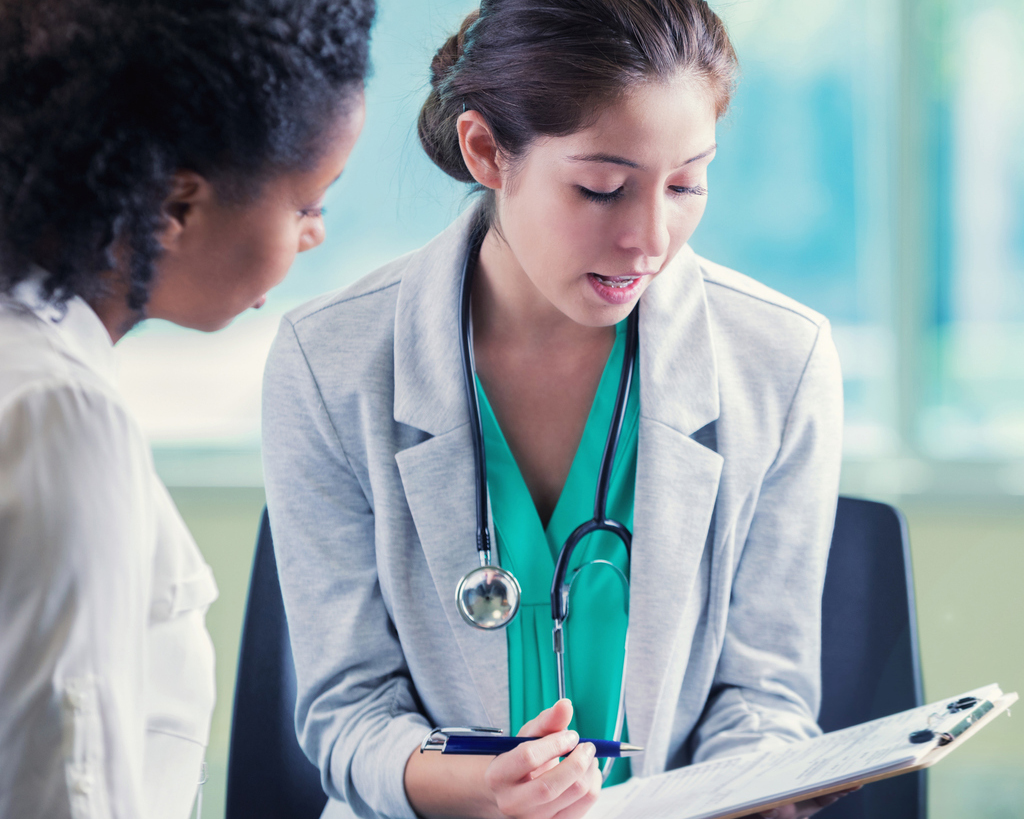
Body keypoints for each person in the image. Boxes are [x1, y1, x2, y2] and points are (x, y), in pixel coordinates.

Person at [261, 1, 846, 818]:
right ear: (485, 151)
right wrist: (486, 791)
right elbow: (349, 712)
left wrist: (756, 784)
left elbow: (762, 695)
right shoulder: (328, 362)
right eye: (602, 189)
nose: (651, 238)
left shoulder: (783, 360)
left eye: (686, 183)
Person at [0, 0, 373, 816]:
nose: (314, 235)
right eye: (307, 204)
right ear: (174, 207)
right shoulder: (61, 416)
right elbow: (59, 794)